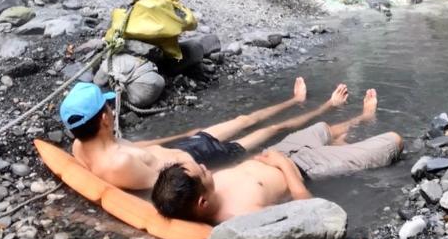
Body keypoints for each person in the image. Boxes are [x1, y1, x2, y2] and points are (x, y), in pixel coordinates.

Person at [152, 89, 403, 223]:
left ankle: (362, 119)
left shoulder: (195, 192)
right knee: (394, 140)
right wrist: (283, 165)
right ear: (202, 203)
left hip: (280, 151)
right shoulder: (242, 214)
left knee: (325, 128)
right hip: (305, 168)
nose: (205, 167)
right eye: (203, 173)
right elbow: (308, 207)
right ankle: (343, 144)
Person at [60, 77, 350, 191]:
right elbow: (170, 186)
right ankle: (329, 106)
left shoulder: (81, 145)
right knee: (270, 130)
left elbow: (140, 147)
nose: (113, 110)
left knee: (243, 118)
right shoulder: (119, 165)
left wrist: (185, 135)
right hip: (204, 157)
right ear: (103, 119)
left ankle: (295, 101)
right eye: (109, 108)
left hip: (186, 145)